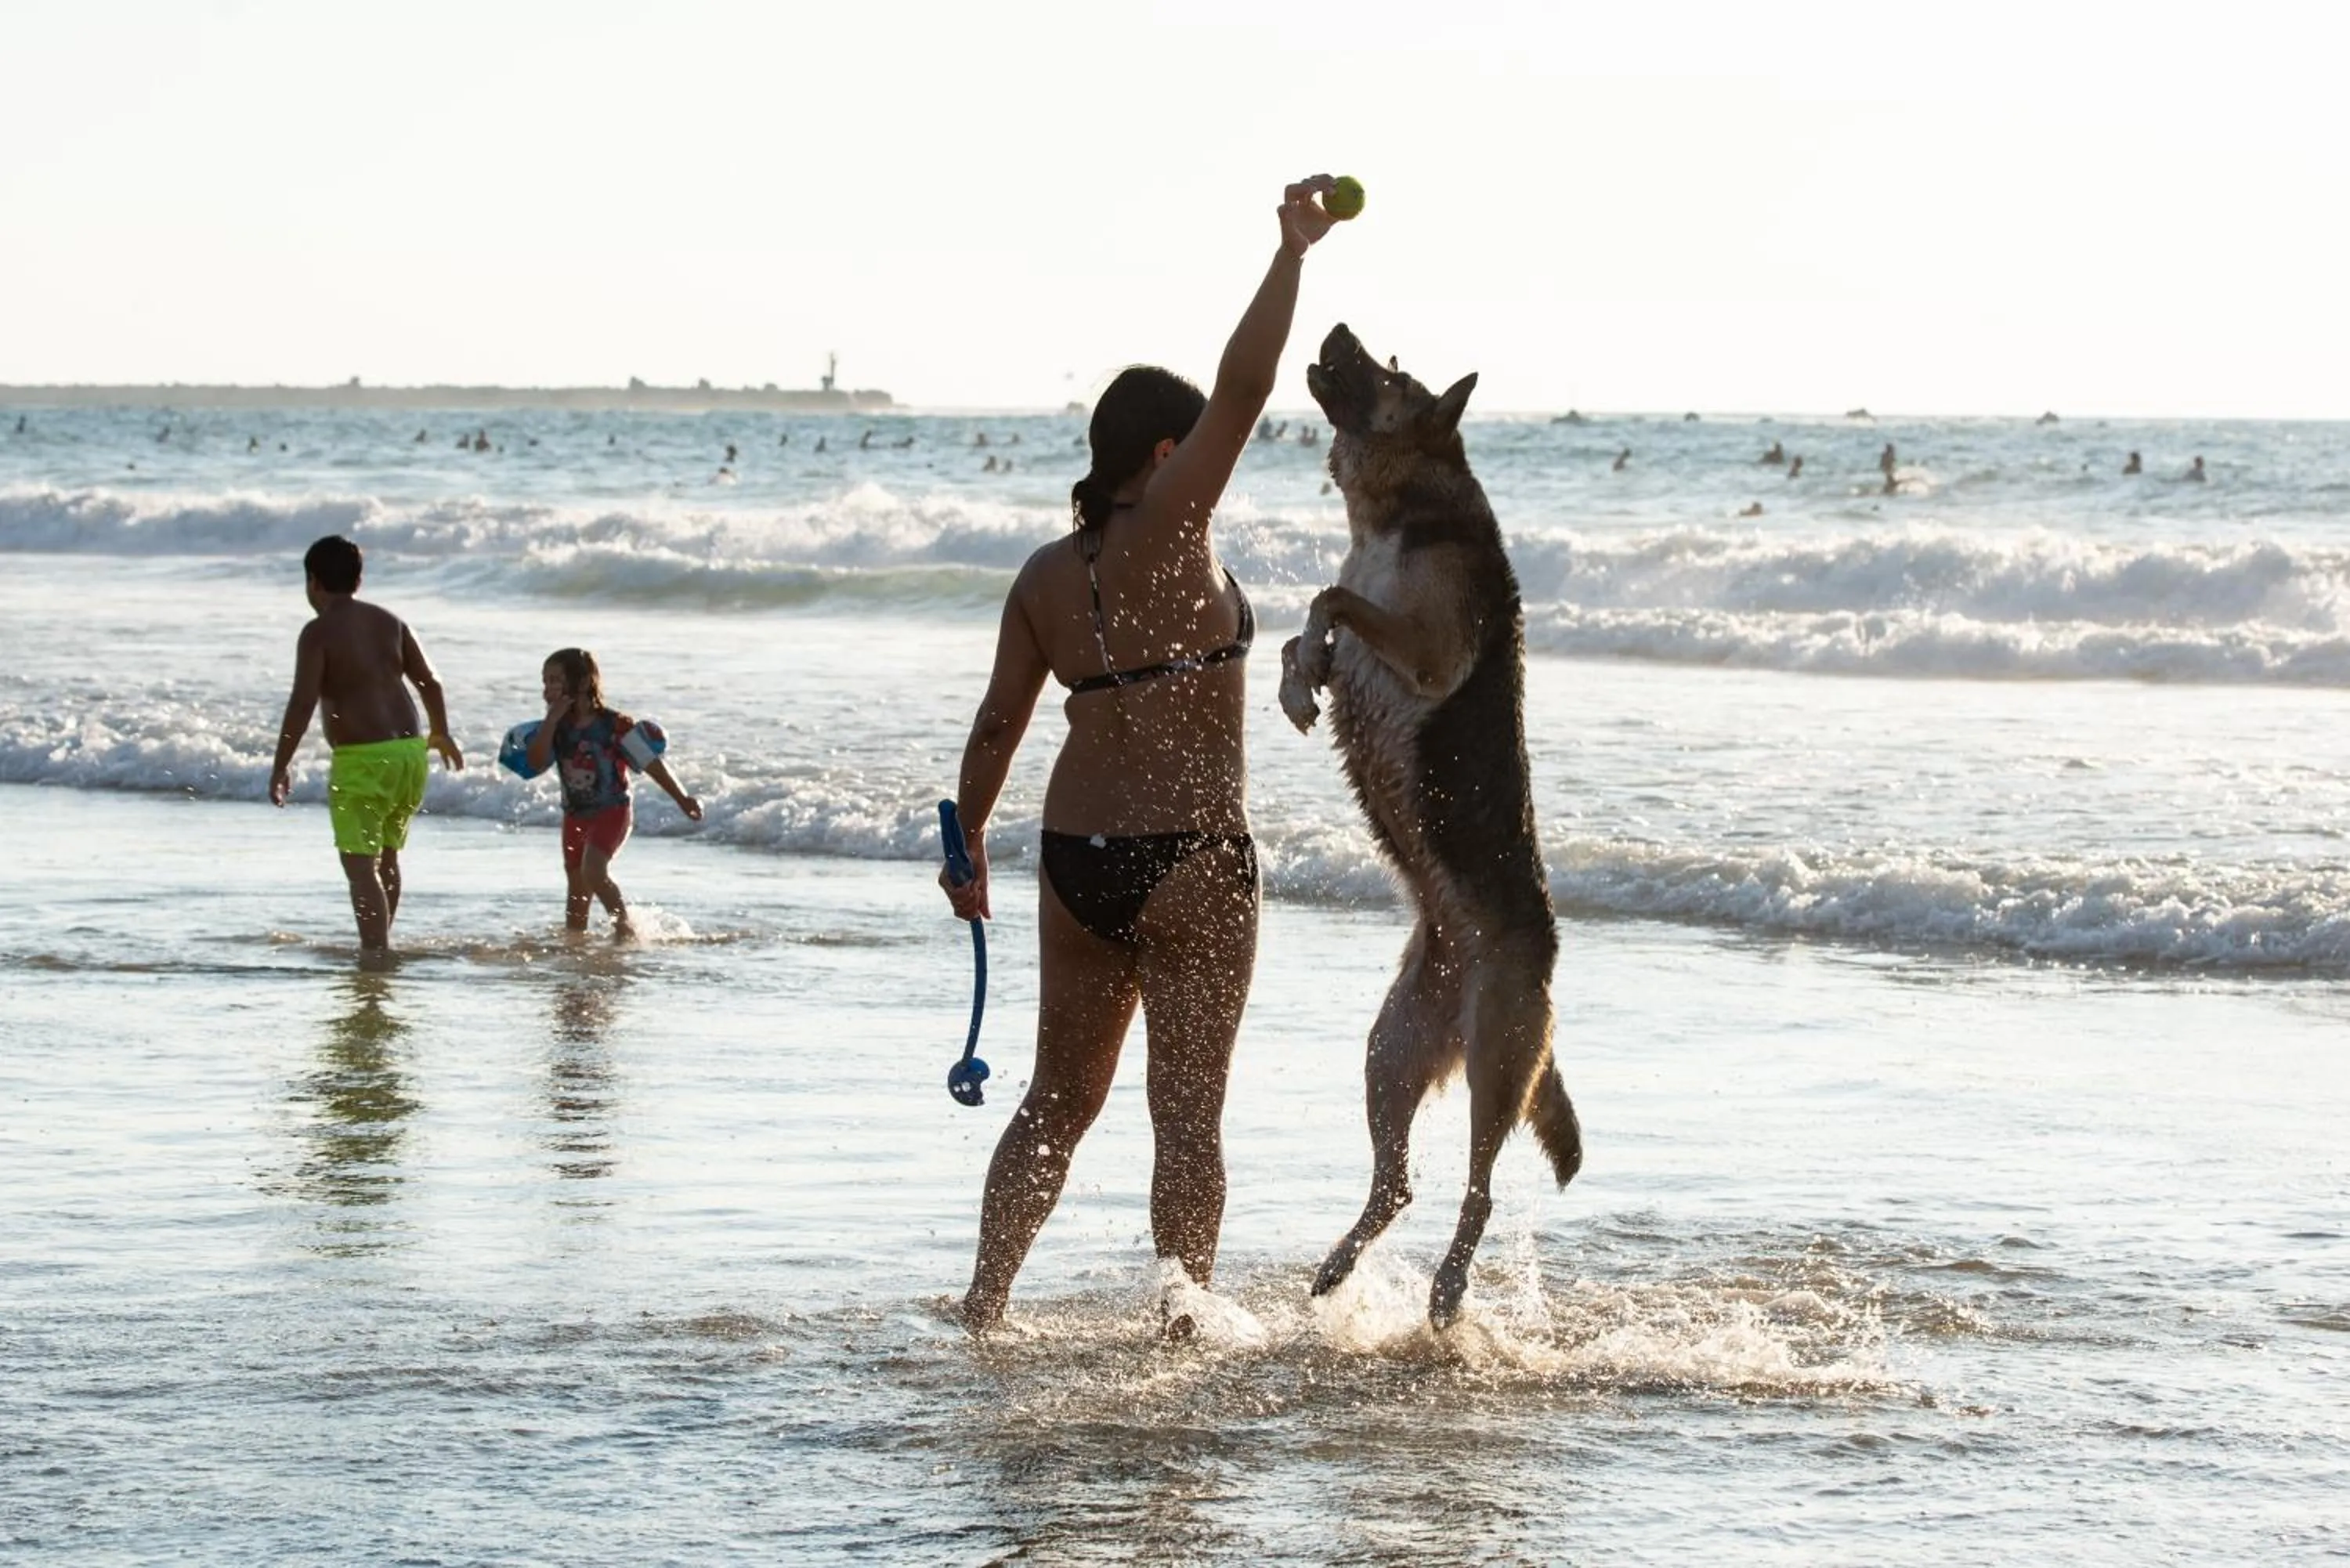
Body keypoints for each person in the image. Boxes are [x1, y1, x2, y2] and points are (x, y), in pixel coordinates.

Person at [939, 175, 1343, 1333]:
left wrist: (964, 850)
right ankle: (1181, 1323)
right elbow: (1250, 383)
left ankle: (985, 1301)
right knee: (1187, 1116)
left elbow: (995, 729)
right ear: (1164, 455)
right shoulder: (1176, 527)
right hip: (1193, 856)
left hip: (1074, 858)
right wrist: (1292, 250)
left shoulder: (1041, 577)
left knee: (1055, 1102)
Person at [268, 536, 463, 962]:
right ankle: (381, 940)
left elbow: (302, 702)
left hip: (363, 761)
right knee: (387, 859)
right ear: (359, 579)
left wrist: (281, 764)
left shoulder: (318, 632)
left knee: (360, 868)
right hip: (410, 754)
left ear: (313, 582)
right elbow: (430, 681)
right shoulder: (390, 621)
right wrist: (441, 731)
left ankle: (376, 955)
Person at [526, 649, 703, 940]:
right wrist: (550, 722)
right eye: (545, 682)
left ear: (583, 683)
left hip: (612, 811)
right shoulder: (556, 727)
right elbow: (535, 761)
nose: (547, 689)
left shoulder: (614, 725)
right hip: (574, 813)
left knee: (593, 870)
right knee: (576, 882)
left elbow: (651, 763)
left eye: (555, 680)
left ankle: (624, 928)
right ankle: (575, 938)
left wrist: (682, 798)